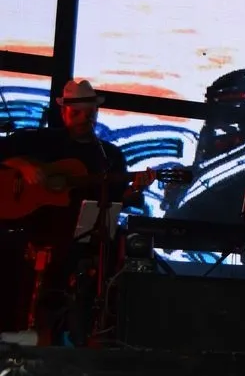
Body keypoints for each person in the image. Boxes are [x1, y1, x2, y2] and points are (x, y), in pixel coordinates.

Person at [0, 80, 154, 346]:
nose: (84, 118)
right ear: (64, 112)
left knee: (98, 258)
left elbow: (117, 200)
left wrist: (134, 190)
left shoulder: (108, 156)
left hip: (77, 238)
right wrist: (24, 167)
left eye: (90, 113)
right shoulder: (39, 140)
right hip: (30, 227)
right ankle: (17, 328)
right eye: (77, 112)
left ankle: (71, 334)